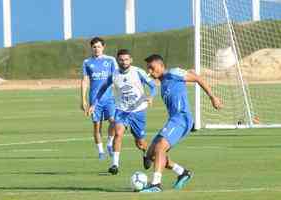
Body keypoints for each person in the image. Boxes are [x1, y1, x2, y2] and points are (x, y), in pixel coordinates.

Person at [140, 54, 223, 192]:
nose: (149, 71)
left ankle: (156, 185)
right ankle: (182, 172)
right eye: (148, 68)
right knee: (152, 154)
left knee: (160, 147)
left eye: (152, 67)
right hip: (173, 120)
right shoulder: (162, 83)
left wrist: (212, 97)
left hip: (181, 119)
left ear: (161, 66)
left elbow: (196, 77)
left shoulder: (173, 73)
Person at [88, 49, 157, 175]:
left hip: (138, 110)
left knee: (140, 143)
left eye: (126, 59)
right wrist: (94, 103)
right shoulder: (114, 74)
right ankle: (115, 165)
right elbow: (102, 88)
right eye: (121, 59)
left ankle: (147, 153)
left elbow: (153, 86)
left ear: (131, 60)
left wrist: (151, 96)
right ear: (117, 60)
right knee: (118, 133)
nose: (124, 62)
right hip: (121, 110)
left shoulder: (138, 72)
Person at [81, 37, 117, 160]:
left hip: (109, 98)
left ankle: (110, 143)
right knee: (97, 126)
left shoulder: (110, 60)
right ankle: (101, 152)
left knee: (114, 122)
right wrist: (84, 100)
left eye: (99, 46)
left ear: (103, 47)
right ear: (91, 48)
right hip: (94, 100)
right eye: (94, 47)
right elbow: (85, 81)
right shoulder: (87, 62)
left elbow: (116, 78)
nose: (96, 49)